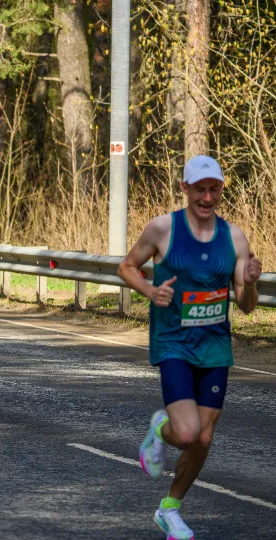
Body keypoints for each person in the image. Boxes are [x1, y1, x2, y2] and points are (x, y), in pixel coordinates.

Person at [117, 155, 262, 540]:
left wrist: (250, 283)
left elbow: (246, 306)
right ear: (185, 188)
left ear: (221, 190)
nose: (207, 197)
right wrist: (151, 291)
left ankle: (170, 508)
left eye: (214, 189)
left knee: (203, 439)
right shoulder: (163, 228)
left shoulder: (234, 237)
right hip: (174, 342)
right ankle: (160, 428)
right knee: (185, 434)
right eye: (200, 189)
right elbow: (126, 266)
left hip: (214, 345)